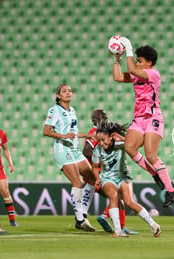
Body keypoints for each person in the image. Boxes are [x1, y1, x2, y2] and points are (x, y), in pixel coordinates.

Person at [113, 37, 174, 207]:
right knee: (129, 147)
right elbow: (118, 76)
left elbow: (132, 70)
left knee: (150, 154)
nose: (137, 63)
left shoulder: (153, 74)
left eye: (140, 60)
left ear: (149, 63)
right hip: (139, 119)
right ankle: (154, 173)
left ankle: (170, 190)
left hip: (153, 118)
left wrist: (127, 47)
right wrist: (117, 60)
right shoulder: (137, 75)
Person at [92, 121, 161, 237]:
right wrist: (97, 179)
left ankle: (154, 225)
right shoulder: (97, 150)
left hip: (124, 176)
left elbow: (140, 144)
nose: (101, 143)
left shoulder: (121, 144)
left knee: (129, 202)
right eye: (98, 140)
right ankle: (118, 231)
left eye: (103, 139)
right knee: (113, 196)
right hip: (107, 177)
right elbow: (94, 167)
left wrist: (123, 138)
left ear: (110, 137)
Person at [43, 83, 96, 232]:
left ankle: (83, 212)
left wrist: (86, 135)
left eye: (70, 91)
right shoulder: (54, 110)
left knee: (92, 179)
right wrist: (63, 136)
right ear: (58, 96)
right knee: (77, 183)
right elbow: (46, 131)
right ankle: (80, 219)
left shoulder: (72, 110)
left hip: (74, 150)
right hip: (62, 149)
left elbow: (73, 132)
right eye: (64, 91)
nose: (68, 93)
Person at [82, 109, 138, 235]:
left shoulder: (102, 132)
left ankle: (119, 225)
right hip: (100, 174)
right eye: (103, 116)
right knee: (119, 196)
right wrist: (103, 158)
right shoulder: (95, 132)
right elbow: (86, 151)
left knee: (119, 198)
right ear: (96, 119)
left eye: (105, 115)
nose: (105, 117)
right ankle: (105, 216)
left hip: (102, 173)